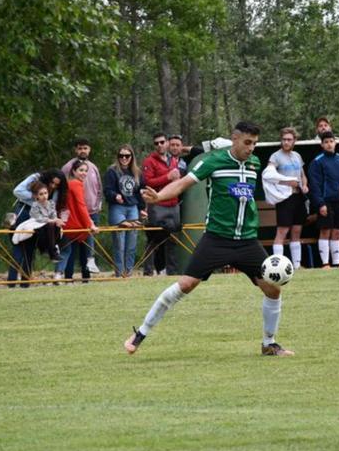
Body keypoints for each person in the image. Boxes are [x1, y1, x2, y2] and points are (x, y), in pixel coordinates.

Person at [124, 121, 294, 357]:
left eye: (254, 143)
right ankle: (139, 333)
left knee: (273, 289)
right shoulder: (213, 161)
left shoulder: (254, 163)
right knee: (186, 285)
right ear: (234, 139)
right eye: (247, 142)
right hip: (217, 239)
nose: (251, 148)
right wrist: (160, 196)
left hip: (247, 241)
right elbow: (183, 183)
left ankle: (269, 344)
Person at [8, 169, 68, 286]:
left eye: (57, 185)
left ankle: (25, 283)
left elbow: (51, 205)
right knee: (18, 247)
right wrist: (36, 196)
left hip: (40, 218)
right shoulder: (35, 178)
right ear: (48, 178)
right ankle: (12, 281)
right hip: (24, 212)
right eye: (52, 182)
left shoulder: (55, 191)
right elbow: (17, 191)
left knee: (30, 249)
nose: (53, 186)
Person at [308, 131, 339, 268]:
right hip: (325, 201)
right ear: (322, 144)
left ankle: (336, 263)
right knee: (325, 231)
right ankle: (325, 263)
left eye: (331, 141)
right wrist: (320, 203)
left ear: (335, 142)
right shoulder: (317, 162)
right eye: (326, 142)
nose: (329, 144)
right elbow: (314, 185)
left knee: (337, 231)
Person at [263, 127, 308, 269]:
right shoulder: (275, 157)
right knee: (282, 231)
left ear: (294, 141)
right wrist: (287, 182)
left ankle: (297, 265)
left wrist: (305, 185)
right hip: (285, 198)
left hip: (299, 196)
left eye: (289, 139)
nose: (286, 142)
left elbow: (302, 175)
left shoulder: (297, 156)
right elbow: (269, 176)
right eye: (284, 139)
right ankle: (278, 266)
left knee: (296, 231)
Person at [62, 138, 104, 274]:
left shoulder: (93, 167)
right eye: (80, 148)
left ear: (89, 149)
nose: (83, 151)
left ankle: (86, 277)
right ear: (76, 150)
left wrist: (98, 204)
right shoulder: (68, 167)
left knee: (87, 247)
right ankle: (67, 276)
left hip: (92, 211)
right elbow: (63, 190)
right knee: (72, 247)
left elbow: (99, 187)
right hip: (76, 214)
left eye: (85, 148)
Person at [141, 132, 181, 276]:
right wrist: (167, 177)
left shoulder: (173, 160)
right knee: (154, 239)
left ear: (167, 143)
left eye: (162, 142)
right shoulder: (149, 161)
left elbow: (178, 182)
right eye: (156, 143)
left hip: (174, 204)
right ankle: (148, 271)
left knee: (173, 239)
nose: (159, 145)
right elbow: (148, 182)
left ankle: (172, 271)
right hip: (157, 205)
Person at [105, 145, 147, 278]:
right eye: (121, 155)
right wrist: (115, 196)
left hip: (133, 208)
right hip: (118, 208)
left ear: (131, 157)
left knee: (131, 244)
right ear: (117, 157)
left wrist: (142, 209)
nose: (124, 158)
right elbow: (107, 190)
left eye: (127, 156)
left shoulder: (137, 172)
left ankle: (128, 272)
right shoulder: (112, 171)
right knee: (119, 243)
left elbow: (141, 192)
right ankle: (119, 273)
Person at [58, 159, 99, 280]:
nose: (84, 173)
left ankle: (70, 278)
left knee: (73, 252)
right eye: (81, 170)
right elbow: (81, 205)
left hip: (72, 223)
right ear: (74, 171)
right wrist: (90, 224)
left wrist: (89, 222)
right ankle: (75, 277)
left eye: (86, 171)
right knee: (74, 252)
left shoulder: (71, 184)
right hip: (74, 224)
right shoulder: (75, 184)